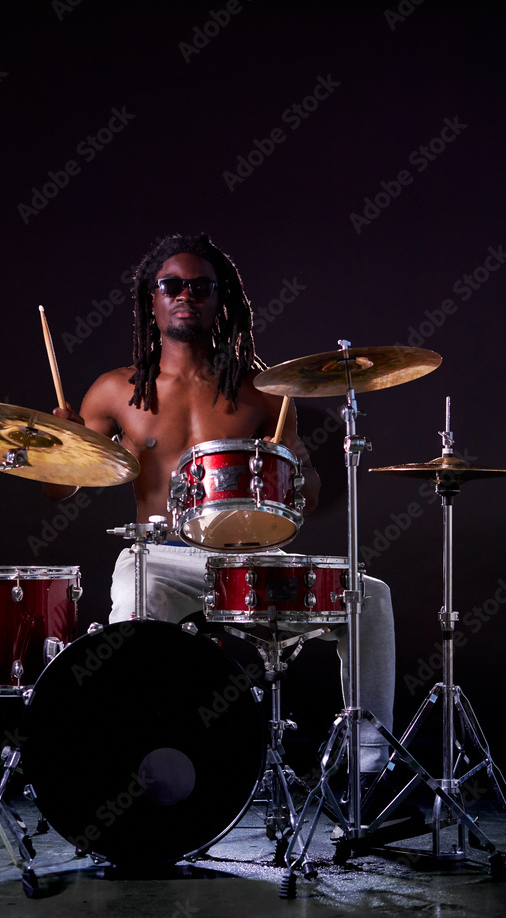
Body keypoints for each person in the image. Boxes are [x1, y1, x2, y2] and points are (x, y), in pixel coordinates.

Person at [51, 233, 395, 778]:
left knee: (369, 597)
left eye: (200, 286)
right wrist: (59, 444)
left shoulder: (263, 392)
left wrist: (299, 463)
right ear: (152, 299)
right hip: (160, 555)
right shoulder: (117, 392)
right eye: (171, 285)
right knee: (134, 598)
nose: (185, 294)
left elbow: (304, 499)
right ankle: (134, 756)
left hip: (244, 560)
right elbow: (57, 490)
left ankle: (370, 762)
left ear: (219, 300)